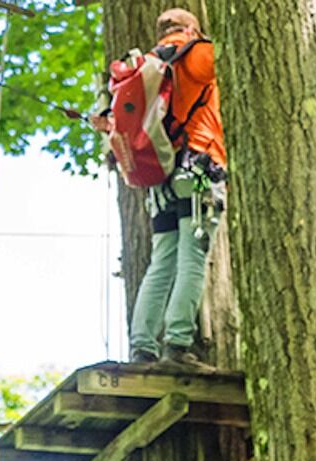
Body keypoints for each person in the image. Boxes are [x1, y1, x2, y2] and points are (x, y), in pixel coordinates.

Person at [93, 8, 227, 367]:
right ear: (192, 28)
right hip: (199, 165)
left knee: (162, 260)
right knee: (192, 256)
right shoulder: (197, 53)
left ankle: (142, 345)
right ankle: (178, 344)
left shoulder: (144, 66)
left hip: (161, 177)